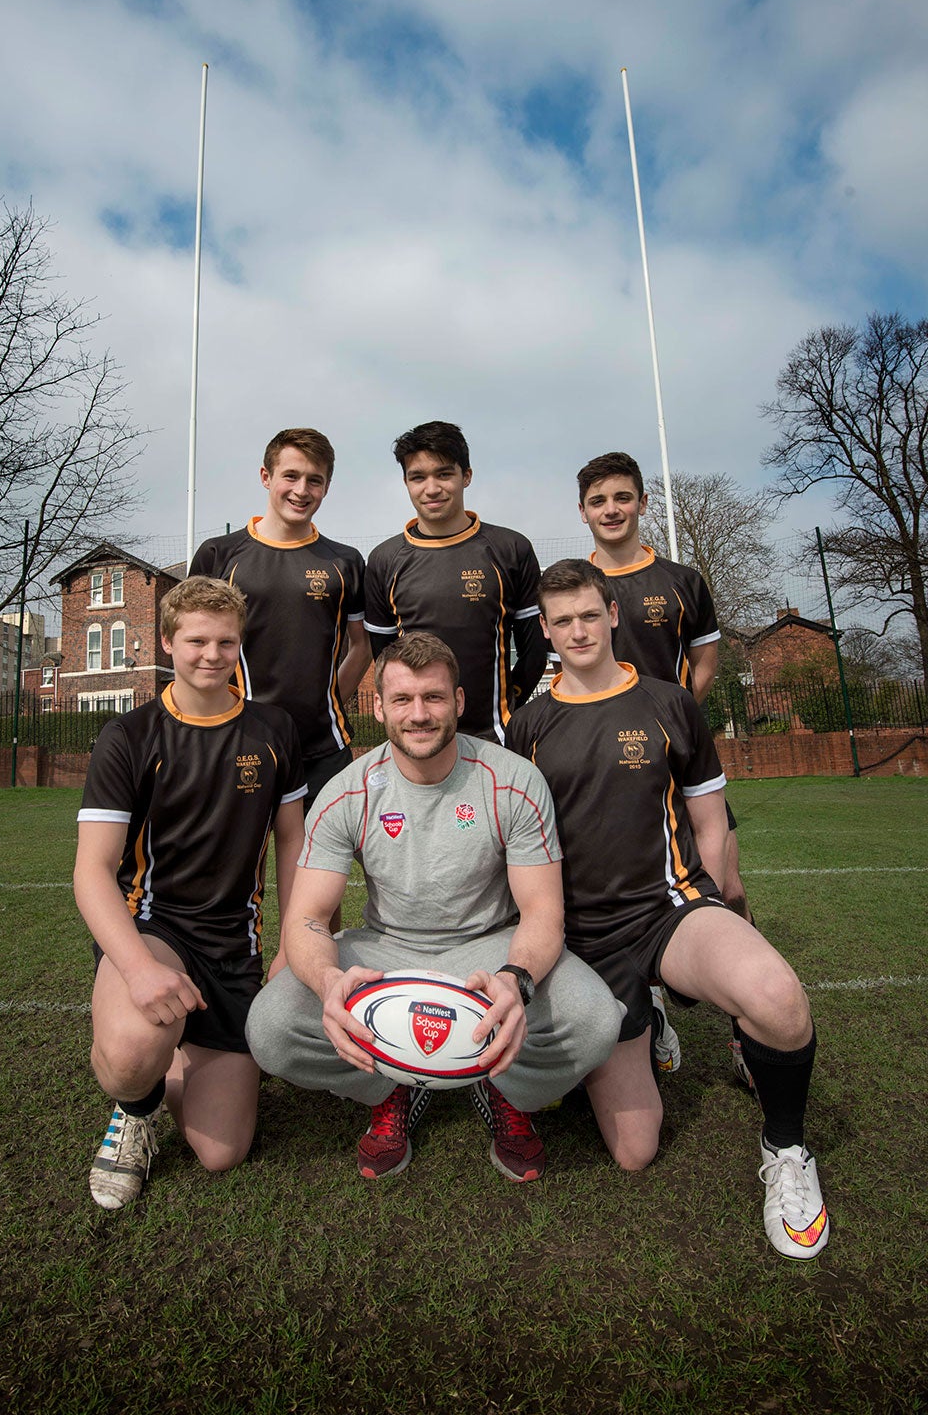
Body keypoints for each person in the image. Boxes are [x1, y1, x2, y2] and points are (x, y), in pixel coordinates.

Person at [506, 559, 829, 1259]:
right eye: (561, 621)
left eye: (589, 615)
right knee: (633, 1150)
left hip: (668, 908)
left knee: (778, 998)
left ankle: (788, 1151)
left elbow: (711, 823)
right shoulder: (527, 723)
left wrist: (715, 909)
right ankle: (635, 1021)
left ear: (613, 614)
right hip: (581, 937)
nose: (577, 630)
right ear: (547, 631)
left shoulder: (668, 701)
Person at [246, 631, 623, 1183]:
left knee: (595, 1020)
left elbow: (542, 914)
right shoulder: (347, 791)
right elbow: (305, 918)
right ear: (377, 706)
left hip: (490, 950)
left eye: (433, 698)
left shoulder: (513, 780)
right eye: (401, 699)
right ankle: (393, 1083)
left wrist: (516, 979)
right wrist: (327, 980)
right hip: (386, 951)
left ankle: (501, 1085)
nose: (418, 714)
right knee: (272, 1029)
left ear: (459, 702)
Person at [74, 577, 306, 1209]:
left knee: (220, 1154)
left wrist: (294, 942)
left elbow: (293, 846)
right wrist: (138, 969)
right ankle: (136, 1111)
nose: (211, 654)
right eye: (196, 640)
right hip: (157, 929)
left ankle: (180, 1049)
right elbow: (92, 872)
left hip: (236, 945)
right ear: (169, 641)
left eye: (226, 642)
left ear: (241, 645)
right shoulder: (130, 737)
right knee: (128, 1053)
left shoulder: (274, 730)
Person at [576, 450, 752, 1082]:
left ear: (643, 502)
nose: (611, 510)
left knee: (727, 888)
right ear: (583, 511)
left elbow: (703, 667)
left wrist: (667, 730)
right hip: (605, 779)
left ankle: (746, 1037)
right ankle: (644, 1010)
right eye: (598, 501)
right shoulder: (573, 584)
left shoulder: (682, 580)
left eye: (622, 497)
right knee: (610, 898)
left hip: (677, 768)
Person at [190, 428, 370, 811]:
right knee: (232, 866)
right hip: (236, 741)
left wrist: (332, 699)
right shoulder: (219, 555)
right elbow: (193, 645)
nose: (302, 490)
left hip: (323, 750)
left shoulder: (345, 562)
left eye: (315, 481)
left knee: (319, 867)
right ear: (265, 476)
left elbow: (362, 644)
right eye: (291, 476)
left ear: (326, 487)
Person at [364, 421, 547, 743]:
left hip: (495, 738)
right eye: (417, 477)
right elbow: (383, 658)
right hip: (419, 740)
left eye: (444, 474)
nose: (431, 488)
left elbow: (533, 651)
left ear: (467, 476)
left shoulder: (510, 549)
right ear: (406, 482)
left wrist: (509, 699)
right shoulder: (384, 560)